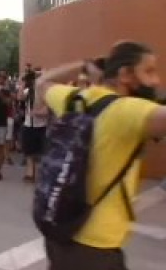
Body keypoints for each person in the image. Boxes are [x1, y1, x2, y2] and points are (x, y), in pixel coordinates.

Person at [36, 41, 166, 270]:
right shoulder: (128, 111)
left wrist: (84, 64)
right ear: (125, 74)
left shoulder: (75, 98)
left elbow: (41, 82)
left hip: (62, 230)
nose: (156, 80)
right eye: (149, 71)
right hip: (95, 248)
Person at [17, 77, 47, 182]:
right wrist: (21, 85)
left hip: (42, 126)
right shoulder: (29, 91)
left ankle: (39, 174)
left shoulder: (45, 92)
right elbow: (20, 97)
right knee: (29, 151)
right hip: (29, 125)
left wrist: (37, 113)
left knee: (41, 151)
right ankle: (30, 173)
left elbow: (48, 109)